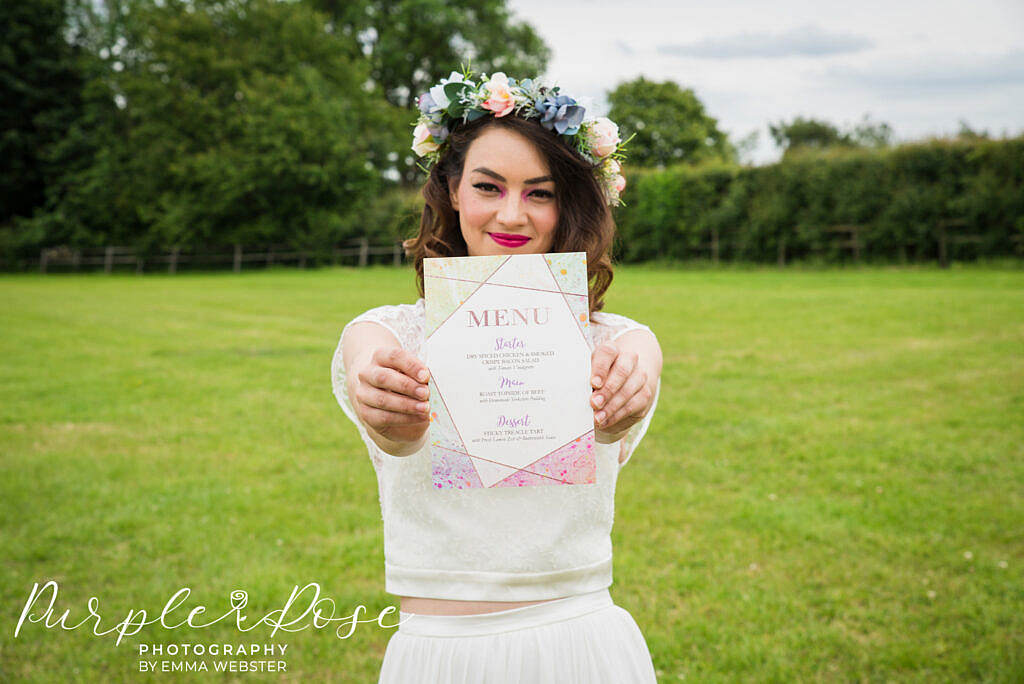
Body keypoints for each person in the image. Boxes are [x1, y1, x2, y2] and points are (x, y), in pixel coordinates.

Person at [330, 70, 663, 683]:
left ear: (569, 203)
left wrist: (626, 396)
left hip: (580, 646)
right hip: (442, 652)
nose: (513, 213)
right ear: (452, 190)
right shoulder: (387, 333)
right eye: (489, 186)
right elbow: (387, 412)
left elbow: (632, 381)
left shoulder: (618, 343)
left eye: (540, 192)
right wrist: (389, 406)